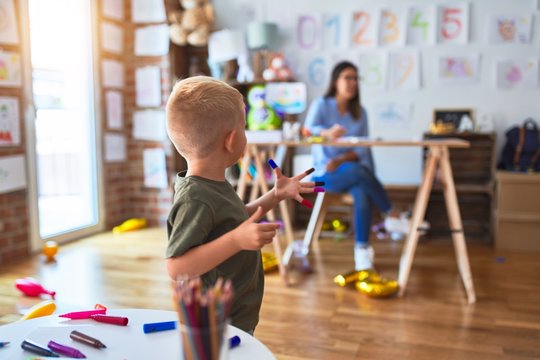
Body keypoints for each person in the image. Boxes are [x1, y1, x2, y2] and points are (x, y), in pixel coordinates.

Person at [165, 76, 319, 334]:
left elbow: (232, 221)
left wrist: (275, 195)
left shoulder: (212, 183)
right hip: (213, 324)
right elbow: (177, 267)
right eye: (245, 128)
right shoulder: (195, 197)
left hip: (234, 313)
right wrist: (237, 240)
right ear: (231, 139)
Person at [303, 61, 394, 271]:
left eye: (355, 78)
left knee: (361, 190)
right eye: (347, 78)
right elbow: (306, 131)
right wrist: (326, 133)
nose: (352, 83)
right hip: (322, 176)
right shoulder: (321, 105)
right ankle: (391, 213)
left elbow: (362, 150)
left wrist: (340, 160)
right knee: (360, 174)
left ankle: (362, 252)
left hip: (350, 171)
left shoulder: (360, 113)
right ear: (336, 81)